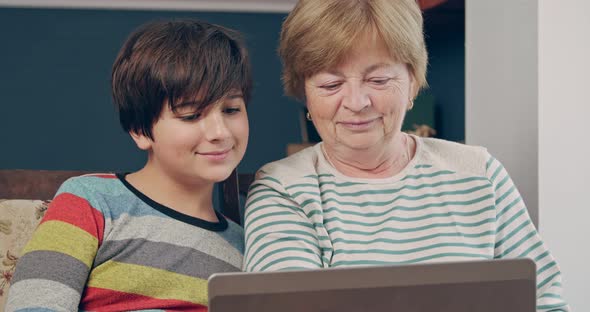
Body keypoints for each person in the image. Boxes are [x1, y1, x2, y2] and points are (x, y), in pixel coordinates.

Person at [242, 0, 569, 311]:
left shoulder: (480, 174)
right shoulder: (282, 188)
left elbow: (546, 302)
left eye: (379, 79)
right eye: (330, 84)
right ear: (305, 94)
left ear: (412, 82)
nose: (357, 102)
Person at [7, 19, 251, 311]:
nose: (220, 132)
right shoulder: (90, 201)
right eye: (191, 115)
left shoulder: (245, 247)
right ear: (140, 129)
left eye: (231, 110)